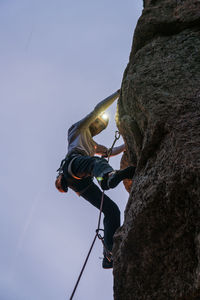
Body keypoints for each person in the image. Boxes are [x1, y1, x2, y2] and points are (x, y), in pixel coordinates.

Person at [55, 90, 135, 268]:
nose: (98, 127)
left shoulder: (93, 144)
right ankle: (107, 178)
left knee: (112, 210)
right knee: (95, 163)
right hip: (74, 165)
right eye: (98, 124)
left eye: (100, 126)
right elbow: (96, 110)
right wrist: (118, 94)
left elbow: (111, 152)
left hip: (81, 183)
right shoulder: (77, 130)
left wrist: (127, 142)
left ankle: (109, 254)